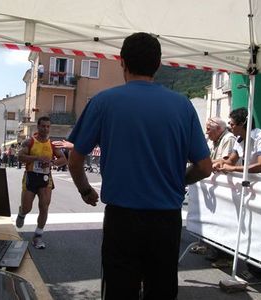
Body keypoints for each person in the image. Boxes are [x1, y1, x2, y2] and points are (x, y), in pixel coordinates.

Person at [67, 32, 212, 300]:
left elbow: (75, 159)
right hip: (166, 220)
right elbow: (204, 167)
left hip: (122, 220)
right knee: (161, 292)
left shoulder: (103, 102)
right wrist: (179, 181)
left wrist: (86, 191)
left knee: (119, 293)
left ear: (122, 62)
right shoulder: (183, 106)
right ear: (158, 64)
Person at [213, 107, 261, 284]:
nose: (230, 127)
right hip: (249, 190)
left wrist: (232, 169)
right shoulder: (239, 139)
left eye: (232, 123)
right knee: (246, 226)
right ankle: (245, 262)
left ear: (243, 124)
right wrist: (214, 163)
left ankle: (258, 272)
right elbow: (230, 160)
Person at [190, 117, 237, 266]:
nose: (206, 132)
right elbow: (208, 159)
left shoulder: (228, 138)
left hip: (229, 186)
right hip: (217, 185)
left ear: (218, 129)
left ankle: (226, 256)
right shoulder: (213, 140)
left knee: (225, 220)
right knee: (214, 217)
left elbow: (223, 161)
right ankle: (213, 248)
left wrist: (204, 163)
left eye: (209, 129)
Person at [16, 116, 67, 249]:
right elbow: (20, 157)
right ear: (38, 127)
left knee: (44, 207)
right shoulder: (29, 142)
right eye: (43, 126)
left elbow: (63, 158)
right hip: (31, 176)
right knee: (27, 207)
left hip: (45, 178)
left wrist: (52, 162)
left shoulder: (52, 144)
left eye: (48, 126)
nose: (45, 129)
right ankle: (22, 213)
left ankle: (38, 236)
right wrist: (37, 158)